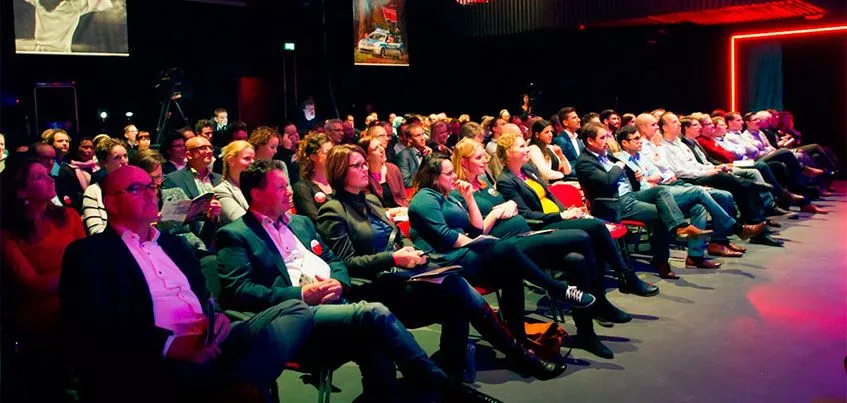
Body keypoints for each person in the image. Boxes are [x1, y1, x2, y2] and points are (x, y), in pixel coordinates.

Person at [215, 160, 498, 402]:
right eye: (280, 187)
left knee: (375, 339)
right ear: (256, 194)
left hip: (338, 301)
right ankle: (445, 386)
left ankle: (419, 389)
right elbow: (240, 291)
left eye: (287, 185)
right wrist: (301, 295)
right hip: (297, 317)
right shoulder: (236, 234)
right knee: (374, 313)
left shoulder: (300, 223)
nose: (289, 192)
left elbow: (335, 260)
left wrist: (339, 282)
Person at [61, 165, 314, 403]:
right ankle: (236, 382)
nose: (150, 194)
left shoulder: (175, 245)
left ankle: (235, 380)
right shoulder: (90, 253)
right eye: (136, 189)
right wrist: (168, 344)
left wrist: (218, 318)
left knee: (295, 310)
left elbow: (205, 298)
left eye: (152, 187)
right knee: (237, 379)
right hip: (156, 354)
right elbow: (96, 323)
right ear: (110, 202)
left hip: (209, 337)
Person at [315, 144, 566, 380]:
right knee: (458, 286)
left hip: (407, 271)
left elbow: (397, 237)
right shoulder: (332, 210)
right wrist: (393, 258)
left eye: (363, 164)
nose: (364, 169)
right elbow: (347, 263)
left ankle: (453, 373)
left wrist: (410, 251)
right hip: (378, 286)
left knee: (461, 294)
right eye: (357, 165)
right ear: (340, 171)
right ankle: (520, 356)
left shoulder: (370, 200)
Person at [485, 134, 660, 294]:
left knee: (596, 231)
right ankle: (626, 277)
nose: (527, 149)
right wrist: (561, 216)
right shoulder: (506, 181)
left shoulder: (528, 170)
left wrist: (567, 210)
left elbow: (550, 196)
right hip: (543, 225)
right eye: (522, 146)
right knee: (596, 227)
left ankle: (604, 291)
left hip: (559, 216)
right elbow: (525, 215)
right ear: (508, 153)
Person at [574, 123, 714, 279]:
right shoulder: (585, 162)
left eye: (607, 136)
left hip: (631, 195)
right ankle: (662, 261)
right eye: (602, 137)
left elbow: (624, 178)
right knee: (662, 214)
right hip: (615, 203)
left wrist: (635, 176)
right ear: (590, 141)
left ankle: (679, 228)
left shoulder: (606, 154)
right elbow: (608, 181)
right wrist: (619, 165)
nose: (607, 140)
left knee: (661, 190)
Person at [1, 153, 86, 402]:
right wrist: (75, 276)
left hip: (78, 308)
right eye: (39, 177)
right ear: (21, 191)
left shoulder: (69, 216)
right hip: (39, 321)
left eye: (48, 174)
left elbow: (85, 260)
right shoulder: (7, 234)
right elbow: (32, 284)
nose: (50, 179)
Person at [615, 125, 766, 260]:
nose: (640, 141)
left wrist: (650, 178)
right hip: (647, 196)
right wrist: (650, 179)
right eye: (636, 139)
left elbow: (658, 175)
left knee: (699, 207)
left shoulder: (641, 156)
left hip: (663, 188)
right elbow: (638, 186)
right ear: (625, 143)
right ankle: (736, 228)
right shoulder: (620, 161)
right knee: (699, 191)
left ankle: (695, 256)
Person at [22, 0, 114, 53]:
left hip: (41, 51)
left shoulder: (39, 1)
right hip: (61, 52)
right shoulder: (74, 5)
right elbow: (105, 3)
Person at [82, 138, 128, 235]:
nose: (124, 161)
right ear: (103, 163)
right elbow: (95, 230)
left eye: (125, 156)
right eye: (117, 157)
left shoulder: (135, 187)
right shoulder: (93, 191)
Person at [292, 132, 334, 223]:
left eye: (333, 152)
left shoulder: (337, 181)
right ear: (313, 156)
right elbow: (315, 220)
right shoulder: (302, 188)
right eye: (328, 153)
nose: (333, 156)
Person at [359, 134, 408, 210]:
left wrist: (405, 210)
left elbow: (403, 198)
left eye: (381, 145)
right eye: (376, 148)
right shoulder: (364, 176)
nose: (382, 150)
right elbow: (370, 207)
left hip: (401, 213)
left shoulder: (393, 168)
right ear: (366, 156)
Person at [214, 141, 254, 225]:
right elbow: (242, 223)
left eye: (253, 158)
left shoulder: (258, 186)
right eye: (247, 158)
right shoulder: (222, 190)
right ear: (231, 161)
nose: (252, 162)